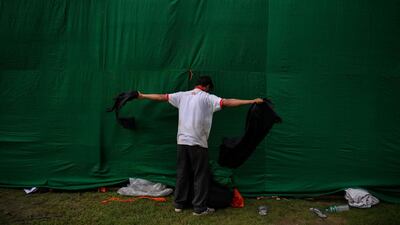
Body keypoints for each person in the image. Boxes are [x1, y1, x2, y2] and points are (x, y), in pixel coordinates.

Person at [138, 76, 263, 215]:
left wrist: (141, 95)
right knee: (200, 175)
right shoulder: (208, 98)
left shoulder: (182, 95)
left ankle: (179, 204)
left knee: (182, 173)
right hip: (197, 143)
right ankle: (199, 208)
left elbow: (161, 97)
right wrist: (251, 101)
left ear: (197, 84)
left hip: (182, 142)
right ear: (207, 86)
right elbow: (228, 102)